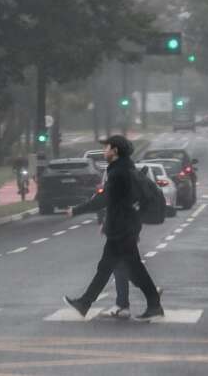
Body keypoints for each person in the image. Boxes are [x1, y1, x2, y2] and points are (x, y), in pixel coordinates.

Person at [63, 135, 164, 321]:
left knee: (120, 268)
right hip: (125, 226)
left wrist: (77, 210)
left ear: (115, 151)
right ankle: (86, 303)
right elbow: (116, 202)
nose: (104, 151)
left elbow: (104, 199)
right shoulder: (124, 168)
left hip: (122, 228)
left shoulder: (119, 173)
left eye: (107, 148)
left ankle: (86, 303)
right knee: (117, 267)